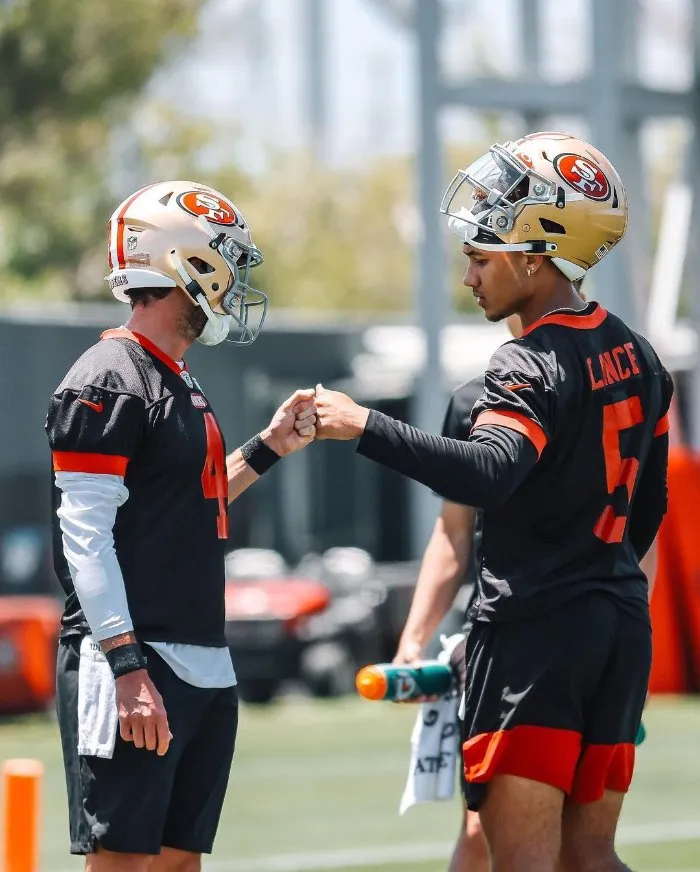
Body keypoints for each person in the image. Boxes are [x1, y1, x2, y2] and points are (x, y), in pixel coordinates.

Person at [313, 132, 673, 872]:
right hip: (616, 627)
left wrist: (363, 425)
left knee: (522, 864)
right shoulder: (640, 353)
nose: (470, 274)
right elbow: (649, 512)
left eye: (482, 257)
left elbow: (488, 473)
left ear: (535, 253)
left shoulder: (526, 360)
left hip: (535, 640)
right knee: (592, 858)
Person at [46, 181, 317, 871]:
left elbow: (193, 498)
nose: (235, 280)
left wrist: (270, 447)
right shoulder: (108, 377)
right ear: (185, 263)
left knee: (177, 863)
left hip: (196, 654)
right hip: (139, 660)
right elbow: (85, 541)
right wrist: (127, 664)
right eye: (227, 260)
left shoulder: (174, 377)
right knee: (123, 863)